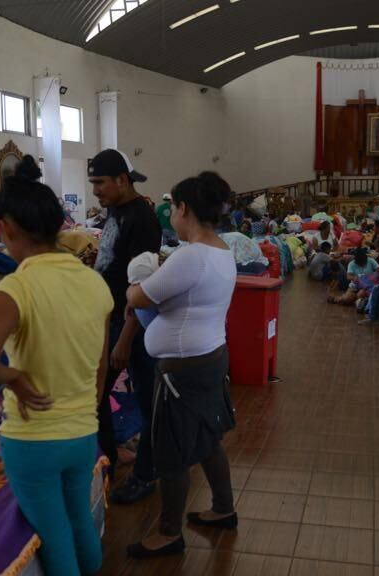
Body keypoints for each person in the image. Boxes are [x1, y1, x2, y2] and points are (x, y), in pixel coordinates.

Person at [0, 157, 112, 576]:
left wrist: (13, 376)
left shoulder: (16, 287)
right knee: (79, 517)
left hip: (33, 439)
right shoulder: (94, 281)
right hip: (82, 431)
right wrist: (87, 408)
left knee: (54, 534)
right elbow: (101, 364)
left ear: (7, 227)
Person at [125, 172, 237, 558]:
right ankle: (223, 508)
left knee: (169, 450)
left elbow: (140, 297)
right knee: (207, 438)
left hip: (183, 369)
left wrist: (133, 284)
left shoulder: (191, 256)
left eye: (172, 207)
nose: (171, 214)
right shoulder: (221, 250)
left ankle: (169, 533)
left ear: (184, 209)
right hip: (210, 356)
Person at [88, 149, 162, 503]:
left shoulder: (142, 218)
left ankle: (146, 475)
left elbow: (142, 287)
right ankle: (107, 467)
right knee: (96, 395)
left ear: (121, 180)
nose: (95, 191)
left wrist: (125, 338)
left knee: (147, 401)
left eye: (100, 183)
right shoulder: (116, 211)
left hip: (133, 325)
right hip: (111, 319)